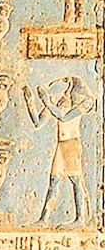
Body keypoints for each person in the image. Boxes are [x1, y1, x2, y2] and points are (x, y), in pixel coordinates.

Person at [26, 77, 94, 225]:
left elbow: (64, 117)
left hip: (72, 144)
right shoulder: (58, 102)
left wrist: (47, 101)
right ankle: (44, 219)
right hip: (61, 145)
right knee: (54, 181)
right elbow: (38, 123)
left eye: (63, 82)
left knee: (76, 180)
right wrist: (30, 101)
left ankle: (81, 219)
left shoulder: (85, 101)